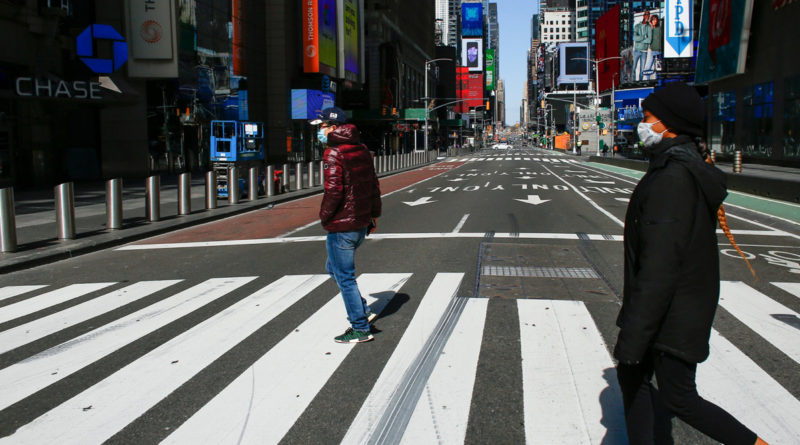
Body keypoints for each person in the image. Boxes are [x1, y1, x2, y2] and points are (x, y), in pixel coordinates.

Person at [614, 82, 768, 445]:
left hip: (673, 311)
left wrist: (634, 335)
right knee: (634, 380)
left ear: (669, 125)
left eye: (649, 118)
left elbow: (660, 265)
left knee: (678, 397)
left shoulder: (672, 178)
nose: (643, 124)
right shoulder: (678, 167)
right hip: (680, 305)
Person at [313, 106, 382, 344]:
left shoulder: (333, 153)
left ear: (333, 127)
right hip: (360, 222)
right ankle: (362, 309)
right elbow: (373, 184)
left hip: (342, 225)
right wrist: (374, 215)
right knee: (333, 269)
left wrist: (324, 217)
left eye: (322, 127)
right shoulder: (361, 149)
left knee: (344, 277)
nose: (320, 132)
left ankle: (360, 327)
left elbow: (333, 191)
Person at [633, 11, 652, 81]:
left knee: (642, 69)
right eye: (646, 15)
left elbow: (649, 40)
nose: (647, 16)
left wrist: (639, 39)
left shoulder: (649, 27)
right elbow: (634, 38)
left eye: (648, 15)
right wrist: (644, 37)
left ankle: (640, 82)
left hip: (644, 51)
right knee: (633, 67)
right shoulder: (637, 26)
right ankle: (633, 81)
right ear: (643, 16)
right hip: (637, 50)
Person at [644, 15, 663, 80]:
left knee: (658, 66)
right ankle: (647, 80)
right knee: (648, 66)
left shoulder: (659, 29)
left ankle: (657, 79)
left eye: (655, 20)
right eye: (653, 20)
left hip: (658, 49)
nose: (654, 21)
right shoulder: (650, 29)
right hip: (651, 49)